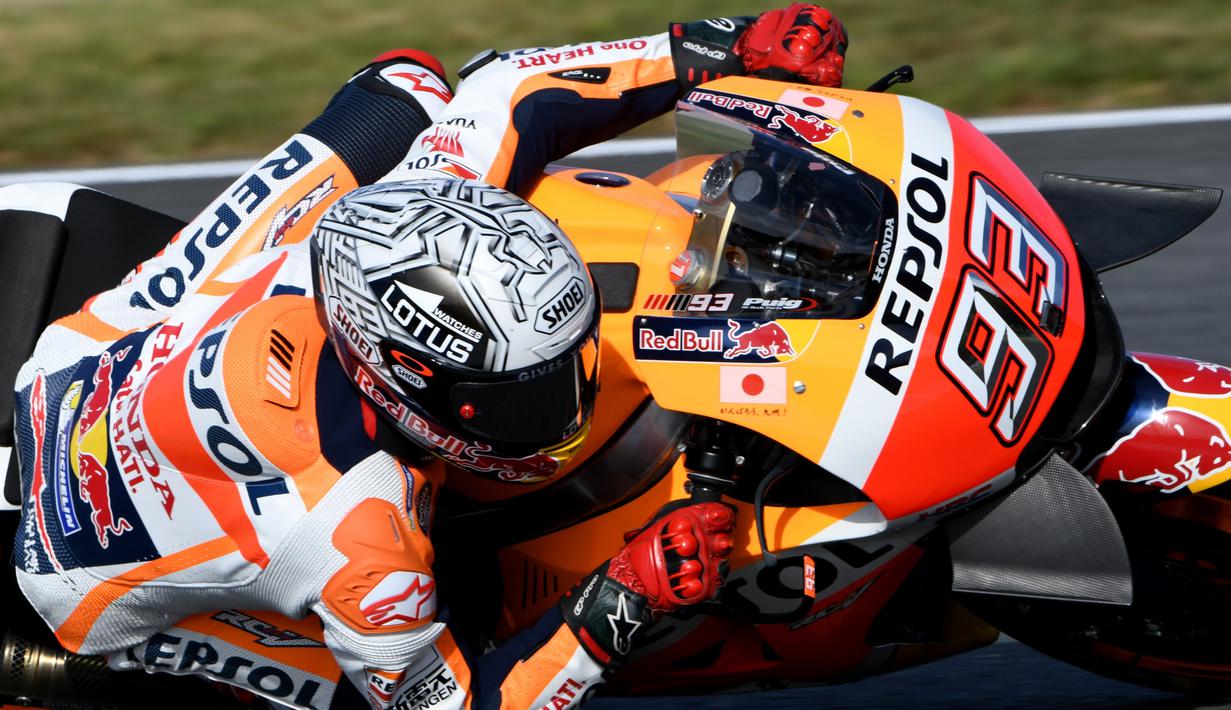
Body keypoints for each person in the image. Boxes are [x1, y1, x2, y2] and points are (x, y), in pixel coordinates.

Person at [4, 4, 847, 708]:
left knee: (406, 87)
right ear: (405, 383)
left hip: (91, 346)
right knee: (449, 627)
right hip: (80, 570)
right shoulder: (363, 545)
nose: (564, 408)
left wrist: (718, 49)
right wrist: (619, 600)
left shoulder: (409, 208)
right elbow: (453, 706)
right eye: (519, 398)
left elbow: (510, 90)